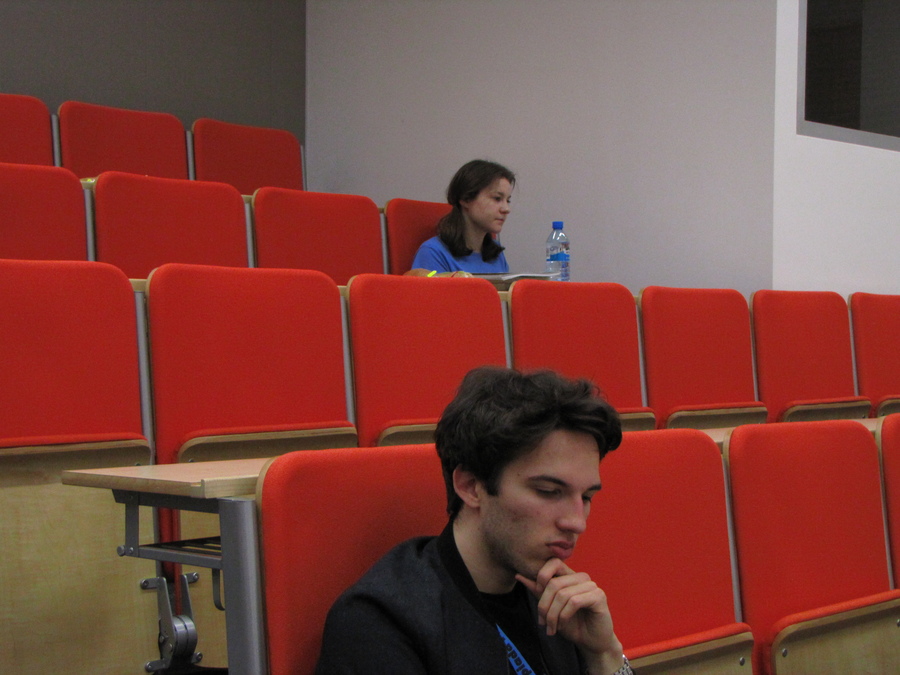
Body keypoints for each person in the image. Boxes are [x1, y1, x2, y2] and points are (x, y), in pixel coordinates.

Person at [316, 367, 632, 675]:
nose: (577, 522)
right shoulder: (380, 623)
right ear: (470, 486)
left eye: (586, 497)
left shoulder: (562, 608)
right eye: (548, 491)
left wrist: (604, 655)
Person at [410, 159, 516, 274]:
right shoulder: (433, 252)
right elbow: (429, 282)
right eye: (497, 198)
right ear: (466, 199)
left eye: (508, 200)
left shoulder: (496, 254)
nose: (506, 209)